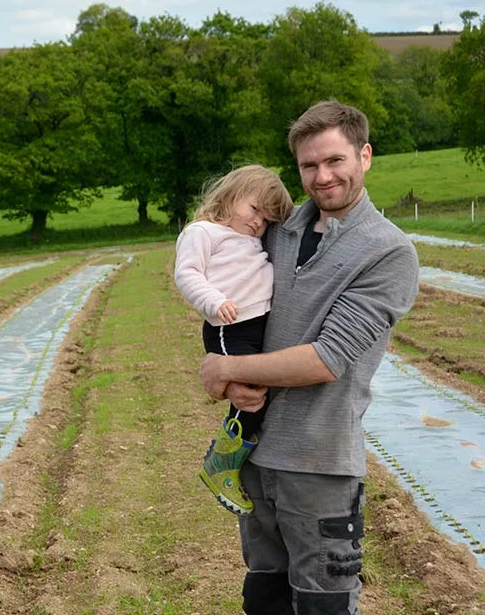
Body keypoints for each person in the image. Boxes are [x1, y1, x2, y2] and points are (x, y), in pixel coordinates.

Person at [199, 100, 419, 615]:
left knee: (324, 603)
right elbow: (228, 303)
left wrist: (228, 368)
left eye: (335, 160)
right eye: (309, 165)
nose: (322, 176)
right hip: (253, 460)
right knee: (265, 594)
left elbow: (326, 359)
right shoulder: (277, 230)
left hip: (318, 466)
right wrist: (225, 372)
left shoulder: (387, 252)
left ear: (364, 156)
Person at [174, 165, 294, 516]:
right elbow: (187, 273)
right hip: (230, 325)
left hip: (253, 325)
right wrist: (215, 302)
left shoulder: (252, 239)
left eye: (267, 219)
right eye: (255, 210)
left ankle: (227, 459)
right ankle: (222, 464)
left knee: (256, 394)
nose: (258, 223)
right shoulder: (203, 232)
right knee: (251, 396)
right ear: (229, 195)